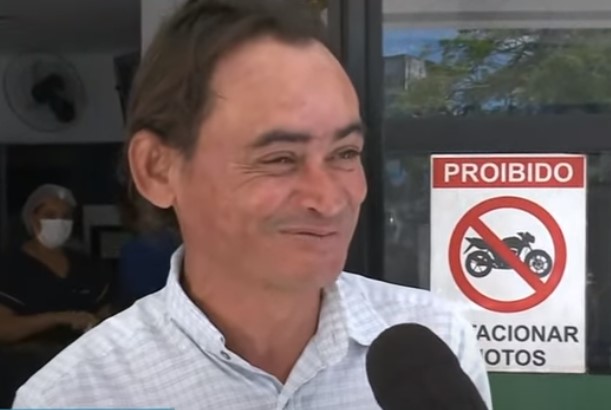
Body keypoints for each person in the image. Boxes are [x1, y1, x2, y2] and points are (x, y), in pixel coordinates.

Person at [13, 1, 492, 408]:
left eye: (345, 153)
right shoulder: (75, 396)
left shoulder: (435, 344)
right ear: (157, 170)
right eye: (280, 158)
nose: (329, 199)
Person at [0, 184, 110, 406]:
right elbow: (4, 329)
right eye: (50, 215)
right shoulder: (10, 266)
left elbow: (107, 313)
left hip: (81, 373)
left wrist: (97, 323)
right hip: (25, 370)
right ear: (32, 218)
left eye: (66, 217)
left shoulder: (86, 266)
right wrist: (58, 318)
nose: (59, 223)